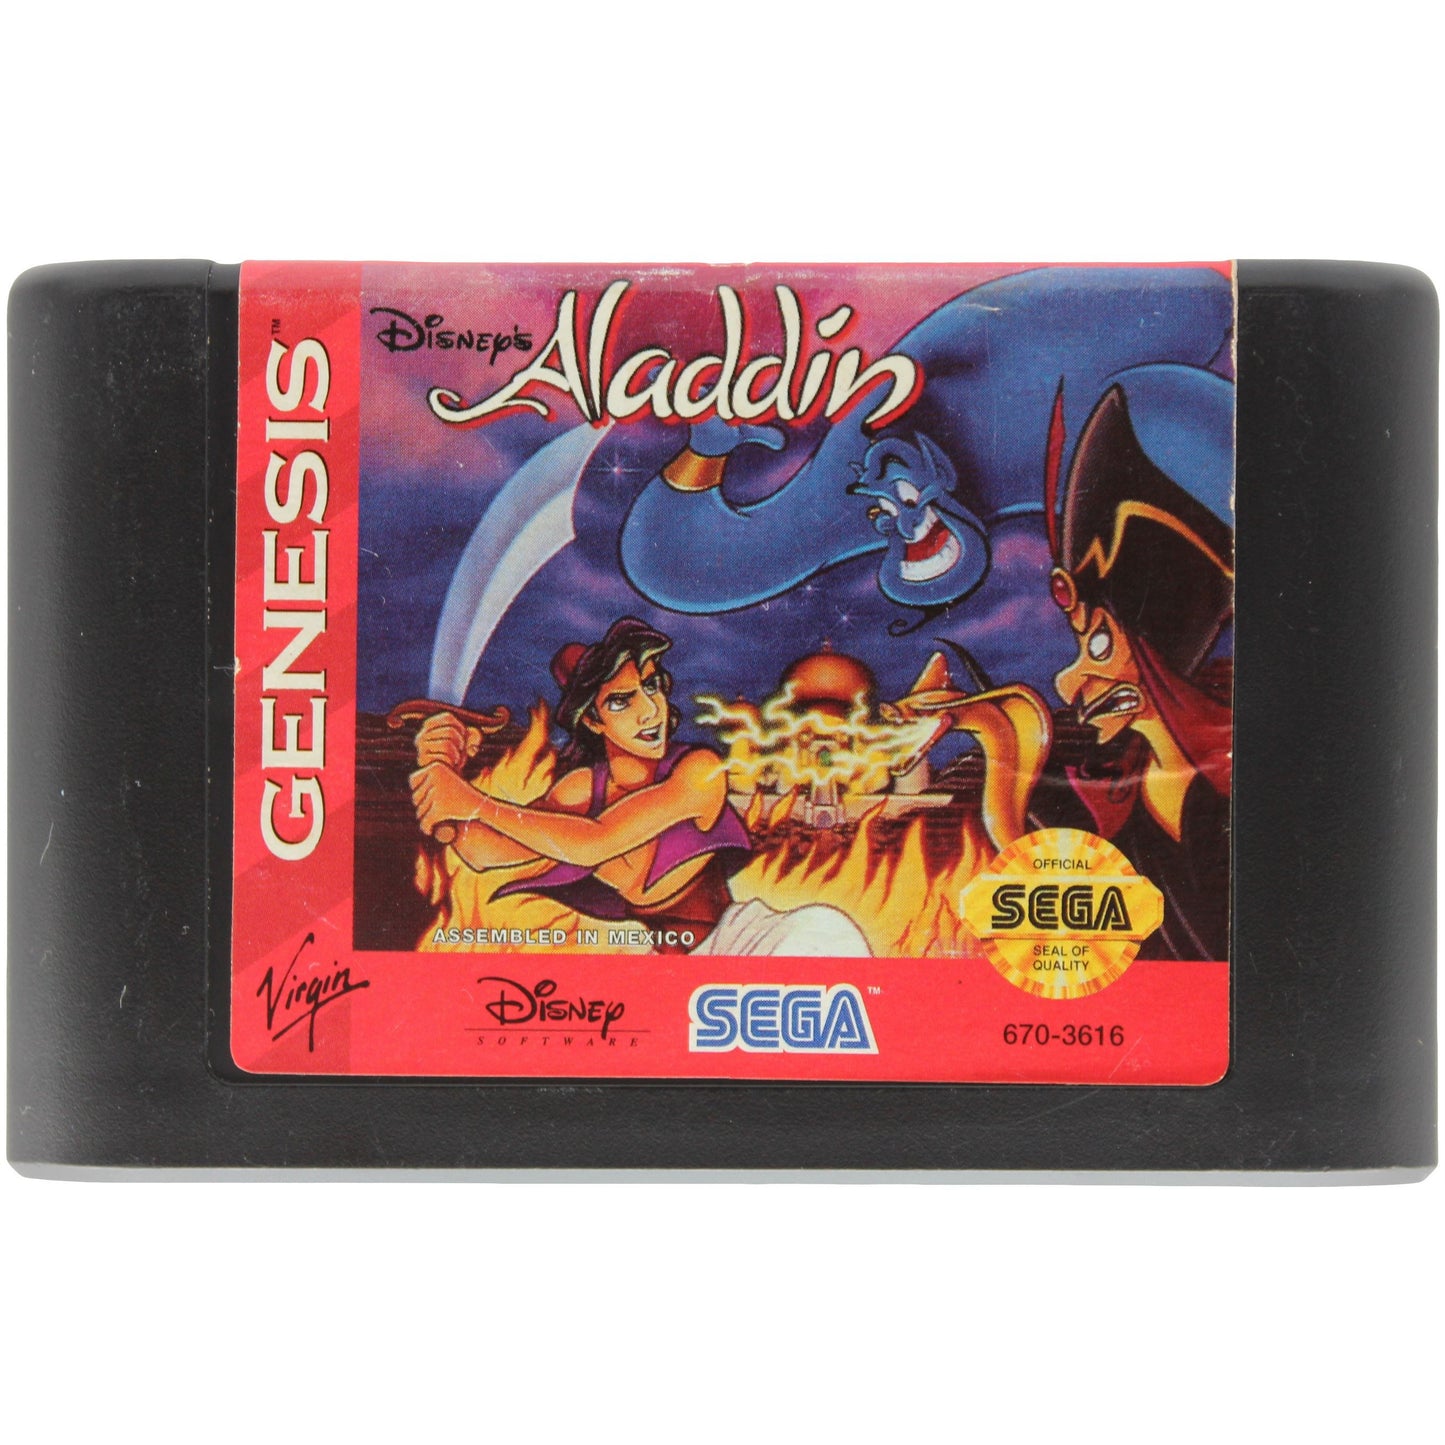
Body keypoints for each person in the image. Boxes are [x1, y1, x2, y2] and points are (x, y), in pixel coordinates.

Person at [892, 368, 1234, 960]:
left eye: (1098, 644)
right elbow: (1061, 927)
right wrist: (1000, 735)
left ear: (1159, 650)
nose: (1068, 678)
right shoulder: (1113, 802)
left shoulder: (1224, 800)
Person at [410, 616, 869, 956]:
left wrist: (469, 800)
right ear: (593, 720)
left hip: (743, 939)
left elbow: (597, 841)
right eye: (621, 701)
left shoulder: (697, 771)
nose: (649, 711)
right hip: (666, 961)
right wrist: (442, 773)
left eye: (652, 686)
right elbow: (484, 851)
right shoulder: (579, 792)